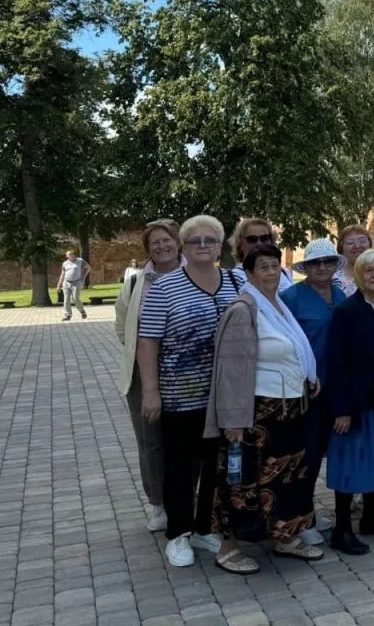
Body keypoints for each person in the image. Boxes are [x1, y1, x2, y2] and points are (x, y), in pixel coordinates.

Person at [204, 243, 324, 574]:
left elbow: (295, 351)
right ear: (250, 273)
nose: (271, 272)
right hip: (257, 415)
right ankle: (228, 548)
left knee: (287, 480)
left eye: (275, 266)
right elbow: (230, 370)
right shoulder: (243, 310)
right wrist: (232, 421)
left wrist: (309, 376)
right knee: (242, 482)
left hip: (289, 412)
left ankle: (284, 537)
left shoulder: (278, 307)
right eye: (263, 267)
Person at [137, 215, 241, 567]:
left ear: (220, 244)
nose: (202, 246)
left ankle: (203, 527)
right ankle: (178, 534)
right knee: (180, 466)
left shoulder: (236, 280)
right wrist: (151, 391)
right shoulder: (165, 288)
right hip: (181, 394)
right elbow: (147, 341)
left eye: (209, 240)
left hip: (224, 397)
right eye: (194, 241)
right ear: (184, 245)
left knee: (216, 465)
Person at [325, 249, 374, 554]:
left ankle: (371, 517)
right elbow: (337, 362)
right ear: (359, 274)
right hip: (356, 403)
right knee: (351, 462)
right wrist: (341, 409)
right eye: (368, 270)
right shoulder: (347, 311)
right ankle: (342, 527)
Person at [114, 219, 181, 533]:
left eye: (167, 240)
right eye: (154, 242)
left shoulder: (194, 274)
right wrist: (146, 354)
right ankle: (158, 504)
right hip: (143, 375)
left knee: (188, 439)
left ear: (178, 243)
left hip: (188, 373)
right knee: (150, 442)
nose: (161, 246)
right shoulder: (136, 282)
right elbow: (121, 325)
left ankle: (186, 498)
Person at [282, 238, 348, 544]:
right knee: (305, 455)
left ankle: (318, 511)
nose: (322, 268)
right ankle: (302, 517)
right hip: (308, 388)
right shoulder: (292, 297)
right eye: (315, 263)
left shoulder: (341, 293)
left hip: (339, 388)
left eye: (328, 262)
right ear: (305, 267)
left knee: (330, 452)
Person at [228, 218, 294, 291]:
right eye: (252, 239)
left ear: (271, 241)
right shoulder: (232, 278)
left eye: (264, 238)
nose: (259, 243)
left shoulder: (285, 273)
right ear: (240, 244)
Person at [333, 225, 372, 295]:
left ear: (370, 245)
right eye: (350, 242)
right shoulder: (333, 278)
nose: (357, 246)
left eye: (362, 241)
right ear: (341, 247)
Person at [58, 249, 90, 321]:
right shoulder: (65, 263)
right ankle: (68, 315)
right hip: (66, 283)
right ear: (67, 256)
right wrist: (59, 284)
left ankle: (82, 312)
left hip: (76, 282)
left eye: (72, 254)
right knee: (66, 300)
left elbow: (88, 268)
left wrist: (83, 278)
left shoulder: (80, 261)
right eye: (69, 254)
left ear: (74, 255)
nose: (71, 255)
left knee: (76, 299)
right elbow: (62, 274)